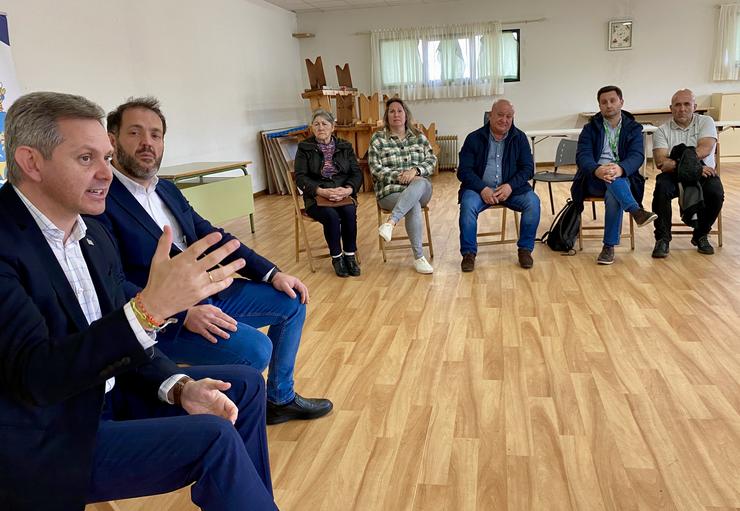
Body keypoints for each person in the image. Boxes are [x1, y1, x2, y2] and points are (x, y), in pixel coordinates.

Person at [0, 91, 277, 510]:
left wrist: (179, 386)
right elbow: (37, 377)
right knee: (215, 438)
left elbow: (119, 334)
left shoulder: (90, 233)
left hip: (111, 393)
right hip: (48, 434)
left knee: (245, 387)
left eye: (106, 159)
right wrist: (149, 310)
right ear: (31, 161)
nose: (106, 174)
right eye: (85, 158)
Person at [94, 97, 332, 425]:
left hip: (211, 291)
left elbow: (211, 234)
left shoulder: (166, 190)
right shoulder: (102, 202)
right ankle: (219, 411)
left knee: (292, 301)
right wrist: (181, 312)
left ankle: (279, 399)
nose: (147, 142)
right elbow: (111, 283)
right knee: (257, 350)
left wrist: (272, 273)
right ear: (112, 139)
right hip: (167, 318)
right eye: (135, 133)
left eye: (156, 134)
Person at [572, 85, 657, 265]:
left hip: (622, 175)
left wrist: (620, 169)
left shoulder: (633, 128)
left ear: (621, 102)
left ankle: (608, 247)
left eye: (612, 101)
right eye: (604, 102)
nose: (608, 105)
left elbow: (637, 156)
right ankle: (635, 211)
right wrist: (597, 169)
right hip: (593, 178)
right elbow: (582, 156)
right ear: (599, 105)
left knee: (614, 192)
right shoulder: (590, 129)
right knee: (615, 185)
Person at [457, 99, 541, 271]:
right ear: (490, 116)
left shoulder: (520, 138)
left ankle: (525, 250)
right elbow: (463, 171)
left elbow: (528, 169)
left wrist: (510, 186)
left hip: (513, 190)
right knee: (467, 207)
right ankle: (468, 254)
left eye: (508, 116)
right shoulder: (474, 138)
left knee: (533, 203)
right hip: (479, 189)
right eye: (500, 115)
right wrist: (482, 188)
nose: (504, 120)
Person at [651, 89, 724, 258]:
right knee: (661, 188)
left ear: (695, 107)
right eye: (677, 105)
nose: (682, 108)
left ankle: (701, 234)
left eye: (686, 104)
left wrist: (677, 157)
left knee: (716, 192)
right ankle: (662, 238)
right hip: (679, 173)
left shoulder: (706, 122)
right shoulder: (661, 130)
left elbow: (705, 149)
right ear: (671, 108)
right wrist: (695, 167)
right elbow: (662, 162)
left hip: (704, 172)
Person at [369, 98, 436, 274]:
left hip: (421, 188)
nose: (396, 114)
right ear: (387, 116)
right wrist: (400, 177)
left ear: (406, 114)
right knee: (411, 204)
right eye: (392, 111)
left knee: (419, 182)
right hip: (390, 192)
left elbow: (432, 160)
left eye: (400, 111)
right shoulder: (378, 139)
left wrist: (415, 171)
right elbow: (375, 168)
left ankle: (390, 223)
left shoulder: (418, 136)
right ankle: (419, 258)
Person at [294, 109, 363, 277]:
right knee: (331, 216)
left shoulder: (345, 146)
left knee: (348, 211)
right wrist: (321, 191)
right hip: (316, 196)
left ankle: (350, 256)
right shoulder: (304, 147)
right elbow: (300, 177)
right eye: (316, 124)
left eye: (325, 124)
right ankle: (337, 258)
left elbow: (356, 173)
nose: (320, 127)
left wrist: (347, 189)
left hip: (342, 193)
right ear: (312, 128)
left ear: (333, 127)